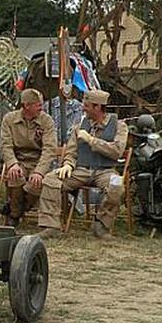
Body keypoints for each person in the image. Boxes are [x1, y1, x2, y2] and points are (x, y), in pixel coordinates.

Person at [37, 89, 128, 239]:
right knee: (50, 179)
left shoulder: (119, 126)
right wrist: (67, 164)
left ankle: (101, 226)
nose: (83, 108)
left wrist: (91, 140)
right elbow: (71, 152)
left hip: (105, 171)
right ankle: (51, 226)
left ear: (97, 107)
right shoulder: (79, 126)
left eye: (87, 105)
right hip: (81, 170)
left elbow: (116, 151)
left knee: (116, 185)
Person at [0, 88, 58, 227]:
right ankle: (14, 216)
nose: (41, 108)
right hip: (18, 160)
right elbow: (5, 145)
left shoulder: (46, 120)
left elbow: (49, 149)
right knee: (15, 176)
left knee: (36, 183)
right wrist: (12, 164)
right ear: (26, 106)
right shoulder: (10, 119)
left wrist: (39, 171)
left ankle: (14, 209)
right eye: (38, 105)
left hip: (38, 161)